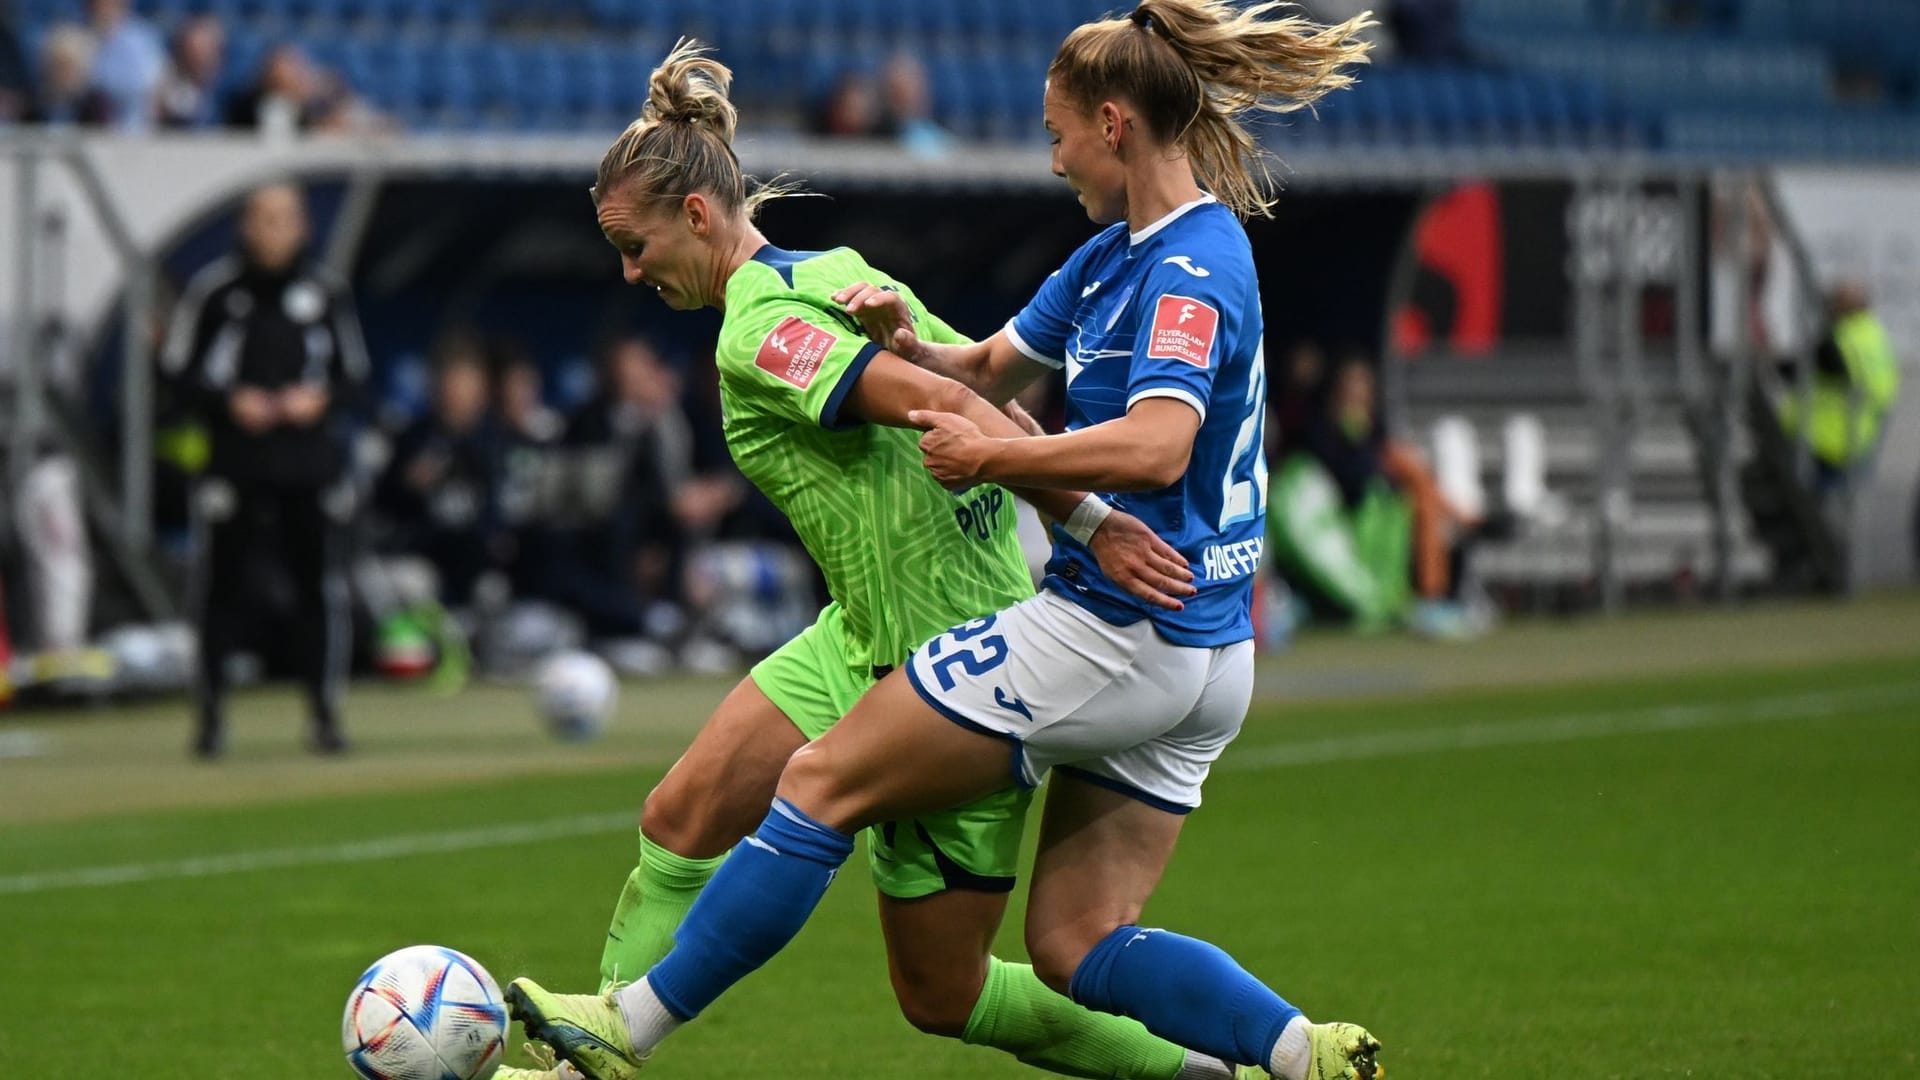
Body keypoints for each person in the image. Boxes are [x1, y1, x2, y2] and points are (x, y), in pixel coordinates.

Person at [506, 6, 1383, 1080]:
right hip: (909, 629)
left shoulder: (1185, 266)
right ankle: (1297, 1057)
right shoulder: (1058, 261)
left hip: (1049, 632)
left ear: (1113, 125)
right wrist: (927, 351)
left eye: (1058, 131)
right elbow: (980, 380)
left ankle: (625, 1026)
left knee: (903, 922)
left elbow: (1096, 439)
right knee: (1041, 935)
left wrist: (1075, 515)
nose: (1049, 155)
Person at [161, 182, 368, 758]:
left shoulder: (324, 292)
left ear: (302, 228)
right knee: (220, 589)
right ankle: (209, 719)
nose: (272, 231)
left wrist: (317, 400)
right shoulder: (215, 293)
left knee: (317, 589)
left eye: (284, 219)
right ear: (245, 226)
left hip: (307, 464)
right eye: (262, 219)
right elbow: (178, 372)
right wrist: (231, 401)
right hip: (235, 460)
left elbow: (355, 376)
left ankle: (324, 715)